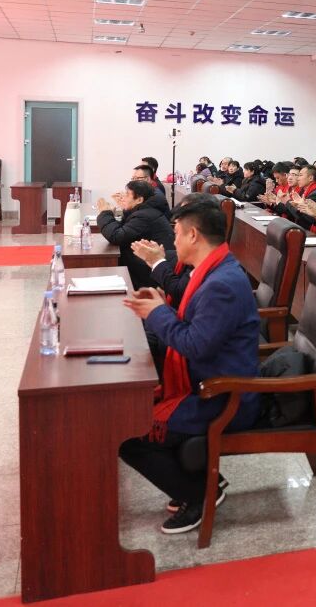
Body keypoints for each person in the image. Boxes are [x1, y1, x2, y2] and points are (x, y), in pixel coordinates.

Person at [119, 195, 261, 534]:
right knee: (132, 414)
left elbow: (194, 345)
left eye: (177, 234)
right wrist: (162, 308)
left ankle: (199, 495)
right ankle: (204, 481)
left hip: (225, 396)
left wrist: (157, 313)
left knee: (129, 434)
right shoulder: (214, 271)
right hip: (209, 384)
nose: (174, 242)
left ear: (193, 235)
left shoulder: (221, 284)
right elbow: (196, 331)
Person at [95, 179, 175, 289]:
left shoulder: (144, 216)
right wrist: (126, 210)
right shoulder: (145, 211)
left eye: (127, 195)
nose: (123, 197)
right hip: (146, 265)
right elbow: (125, 229)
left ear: (139, 200)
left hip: (149, 272)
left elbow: (116, 236)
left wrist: (105, 213)